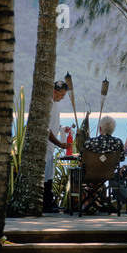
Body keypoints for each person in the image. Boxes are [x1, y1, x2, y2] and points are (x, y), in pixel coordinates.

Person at [79, 116, 125, 213]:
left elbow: (80, 160)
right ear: (113, 130)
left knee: (75, 177)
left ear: (100, 129)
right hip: (108, 175)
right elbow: (121, 159)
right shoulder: (118, 143)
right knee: (97, 179)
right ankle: (93, 203)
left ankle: (87, 203)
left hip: (90, 175)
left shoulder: (89, 142)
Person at [43, 80, 72, 213]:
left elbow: (53, 126)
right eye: (62, 94)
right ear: (54, 91)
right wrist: (60, 144)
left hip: (50, 148)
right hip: (46, 147)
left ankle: (49, 203)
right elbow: (46, 130)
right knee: (46, 177)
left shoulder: (54, 105)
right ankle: (46, 204)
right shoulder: (48, 104)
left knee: (49, 176)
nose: (63, 97)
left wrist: (62, 128)